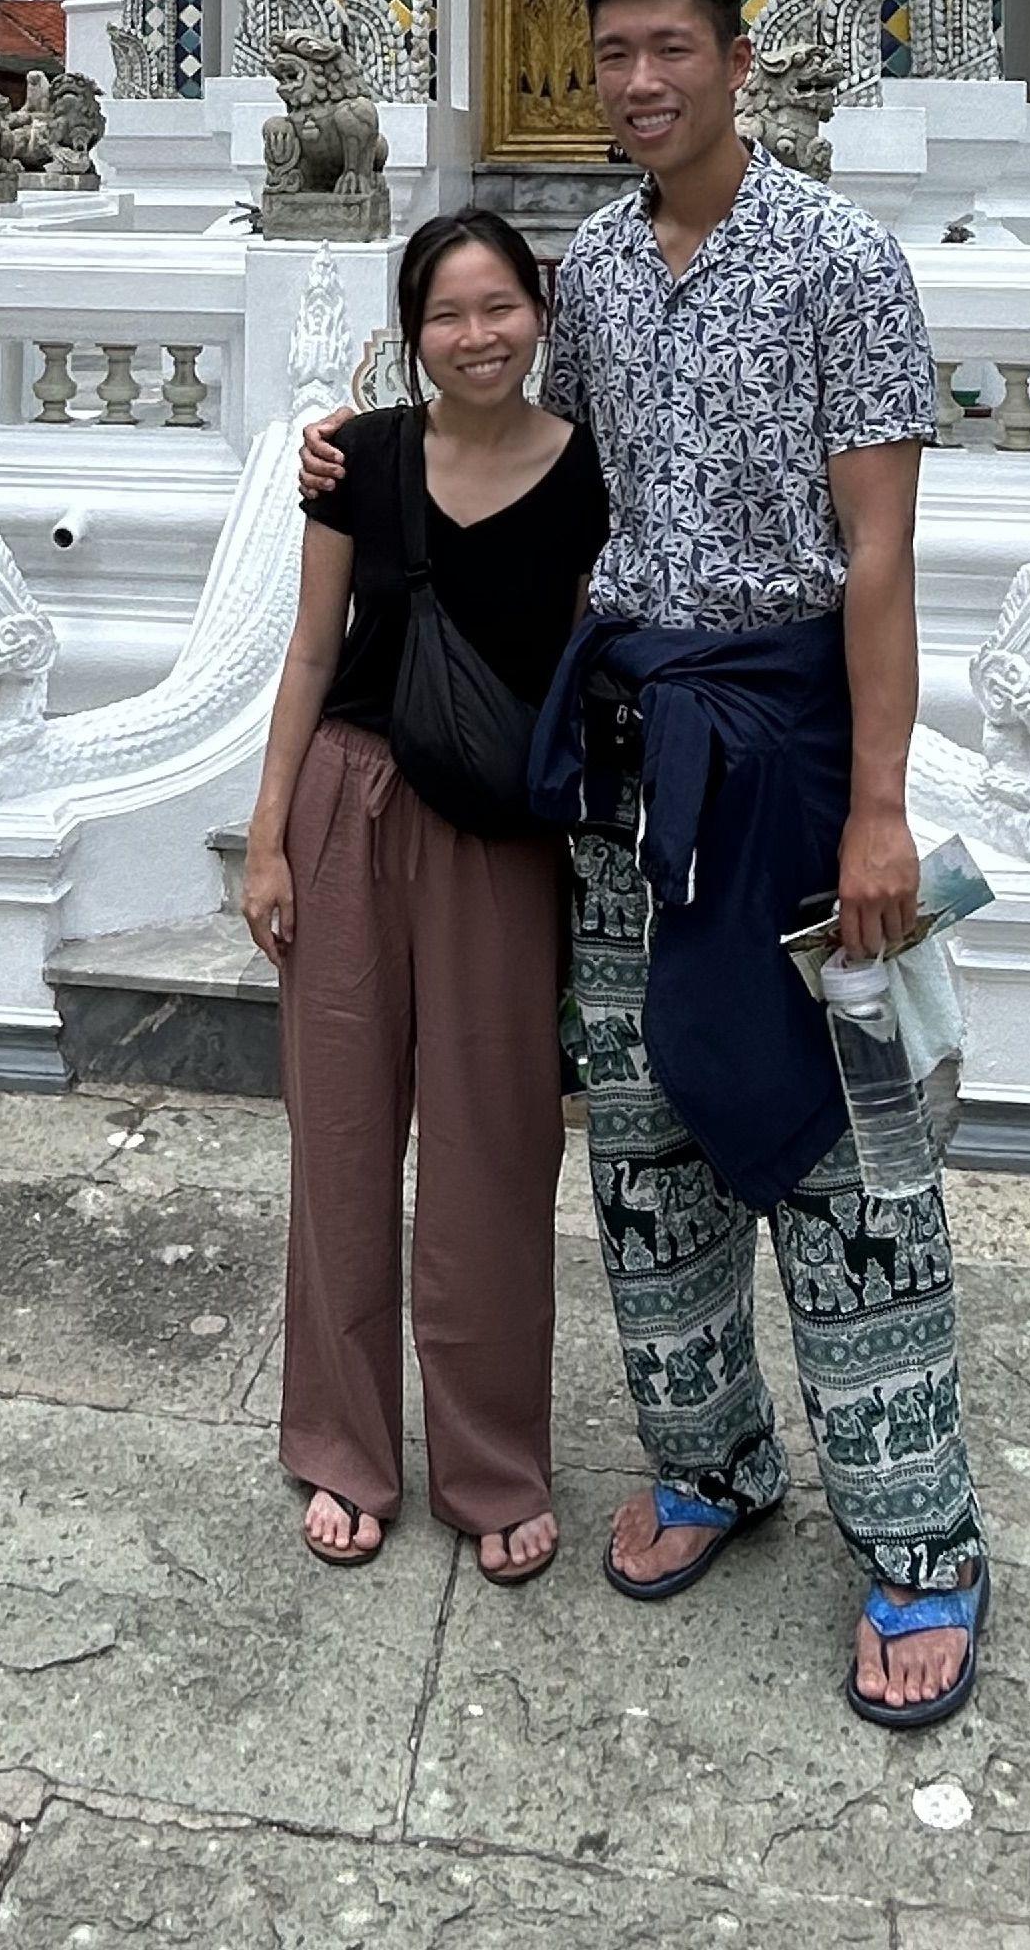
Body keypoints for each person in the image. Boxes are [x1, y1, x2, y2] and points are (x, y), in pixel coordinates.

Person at [299, 0, 990, 1725]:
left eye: (670, 49)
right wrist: (348, 456)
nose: (635, 84)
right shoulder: (586, 272)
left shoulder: (843, 260)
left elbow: (885, 556)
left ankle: (919, 1543)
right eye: (610, 54)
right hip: (626, 768)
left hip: (791, 750)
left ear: (739, 61)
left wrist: (887, 805)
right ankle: (713, 1460)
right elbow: (515, 462)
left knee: (844, 1161)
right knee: (648, 1142)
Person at [243, 208, 605, 1587]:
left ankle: (493, 1457)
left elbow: (580, 669)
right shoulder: (361, 462)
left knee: (494, 1152)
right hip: (347, 797)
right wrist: (269, 838)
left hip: (497, 834)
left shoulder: (588, 475)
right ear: (413, 336)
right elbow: (304, 649)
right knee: (338, 1140)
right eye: (449, 315)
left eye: (500, 307)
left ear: (538, 314)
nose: (478, 337)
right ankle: (344, 1446)